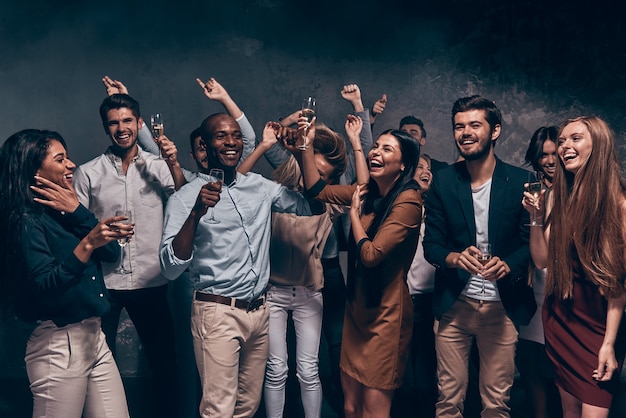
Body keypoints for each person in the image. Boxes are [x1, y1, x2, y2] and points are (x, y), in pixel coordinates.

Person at [159, 113, 317, 418]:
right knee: (219, 409)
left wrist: (301, 152)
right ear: (204, 145)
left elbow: (312, 206)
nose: (231, 142)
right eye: (221, 136)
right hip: (217, 314)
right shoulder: (184, 198)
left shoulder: (260, 187)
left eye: (235, 135)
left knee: (247, 407)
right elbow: (170, 267)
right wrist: (196, 213)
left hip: (259, 313)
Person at [239, 113, 368, 418]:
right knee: (276, 369)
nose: (316, 177)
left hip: (310, 292)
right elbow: (236, 184)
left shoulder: (327, 201)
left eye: (323, 174)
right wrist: (286, 141)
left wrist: (354, 142)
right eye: (313, 170)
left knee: (308, 370)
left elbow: (364, 188)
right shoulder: (273, 195)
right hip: (272, 294)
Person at [0, 129, 134, 418]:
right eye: (60, 159)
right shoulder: (25, 220)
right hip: (59, 344)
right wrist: (86, 243)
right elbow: (44, 284)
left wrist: (77, 211)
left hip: (94, 336)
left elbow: (111, 255)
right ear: (34, 170)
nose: (71, 164)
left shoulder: (66, 211)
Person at [294, 116, 423, 417]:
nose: (376, 152)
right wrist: (306, 143)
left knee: (373, 413)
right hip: (357, 311)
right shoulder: (367, 192)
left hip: (386, 317)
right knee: (351, 408)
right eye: (375, 146)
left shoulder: (409, 202)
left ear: (404, 164)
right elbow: (316, 189)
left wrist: (353, 215)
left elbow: (371, 254)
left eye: (387, 149)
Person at [73, 92, 186, 418]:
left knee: (164, 363)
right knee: (92, 361)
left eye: (127, 121)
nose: (121, 128)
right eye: (113, 123)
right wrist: (99, 235)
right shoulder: (88, 173)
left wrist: (175, 163)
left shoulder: (159, 167)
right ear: (105, 128)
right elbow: (76, 228)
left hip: (152, 279)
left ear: (138, 123)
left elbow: (185, 201)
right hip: (104, 283)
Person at [423, 95, 536, 418]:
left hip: (502, 308)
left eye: (475, 124)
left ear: (495, 130)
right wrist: (456, 258)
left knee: (496, 406)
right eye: (459, 126)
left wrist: (509, 263)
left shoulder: (522, 181)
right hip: (454, 305)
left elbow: (533, 243)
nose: (465, 132)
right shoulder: (443, 182)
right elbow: (431, 244)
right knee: (447, 403)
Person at [522, 116, 626, 418]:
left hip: (599, 324)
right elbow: (542, 261)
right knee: (569, 412)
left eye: (575, 138)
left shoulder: (619, 205)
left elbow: (618, 284)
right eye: (563, 141)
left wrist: (609, 345)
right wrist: (536, 217)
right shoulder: (557, 197)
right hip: (560, 316)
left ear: (599, 144)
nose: (565, 146)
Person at [516, 126, 562, 418]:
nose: (550, 160)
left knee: (563, 367)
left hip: (564, 289)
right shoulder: (529, 191)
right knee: (529, 365)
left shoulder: (578, 192)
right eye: (543, 155)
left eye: (555, 153)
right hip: (532, 289)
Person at [391, 154, 438, 418]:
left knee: (426, 368)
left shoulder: (436, 209)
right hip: (402, 299)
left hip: (431, 301)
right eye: (419, 166)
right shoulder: (399, 207)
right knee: (400, 369)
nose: (426, 171)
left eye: (429, 168)